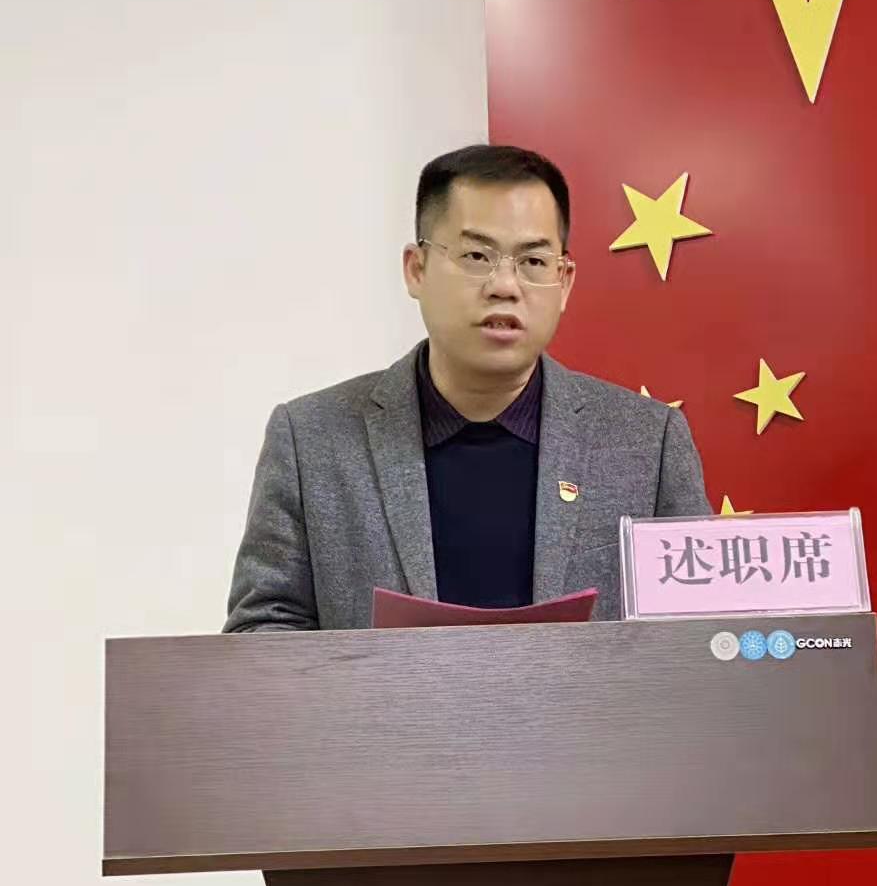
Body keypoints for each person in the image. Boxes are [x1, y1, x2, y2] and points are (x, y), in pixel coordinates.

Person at [225, 143, 711, 630]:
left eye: (533, 261)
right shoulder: (311, 439)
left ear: (563, 282)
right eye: (477, 255)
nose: (505, 285)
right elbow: (263, 628)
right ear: (416, 269)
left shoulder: (648, 443)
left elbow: (704, 633)